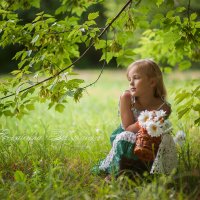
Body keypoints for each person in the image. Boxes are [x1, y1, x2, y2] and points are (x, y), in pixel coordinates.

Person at [92, 59, 177, 181]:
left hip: (147, 140)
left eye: (136, 78)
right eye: (129, 79)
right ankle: (117, 172)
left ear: (152, 82)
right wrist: (146, 121)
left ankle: (144, 171)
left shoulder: (163, 107)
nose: (131, 83)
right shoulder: (127, 98)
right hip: (128, 135)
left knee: (166, 140)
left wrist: (155, 122)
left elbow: (157, 131)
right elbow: (128, 128)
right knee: (125, 137)